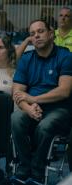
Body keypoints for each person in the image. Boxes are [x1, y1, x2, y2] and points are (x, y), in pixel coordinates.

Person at [11, 19, 72, 184]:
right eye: (32, 34)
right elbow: (17, 92)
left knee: (45, 125)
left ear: (51, 34)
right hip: (31, 108)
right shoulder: (26, 59)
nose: (36, 36)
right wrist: (29, 108)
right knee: (16, 119)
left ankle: (37, 172)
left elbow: (64, 90)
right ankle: (24, 168)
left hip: (59, 109)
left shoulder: (65, 56)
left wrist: (34, 99)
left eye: (40, 31)